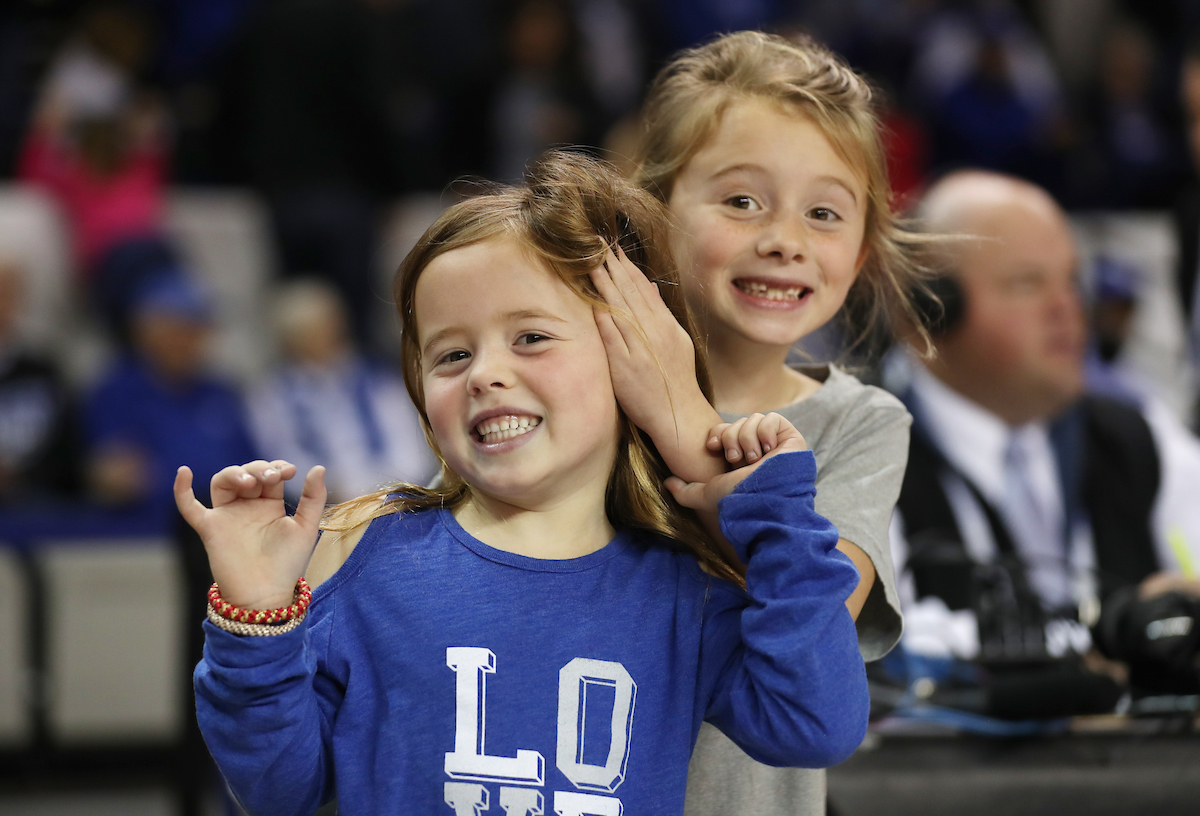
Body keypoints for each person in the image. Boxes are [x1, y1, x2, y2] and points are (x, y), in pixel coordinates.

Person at [177, 151, 869, 815]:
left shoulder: (683, 592)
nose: (484, 374)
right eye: (451, 354)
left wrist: (772, 514)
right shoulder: (369, 558)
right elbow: (276, 790)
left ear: (629, 357)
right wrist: (253, 616)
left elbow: (815, 724)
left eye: (531, 337)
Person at [610, 31, 920, 815]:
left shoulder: (862, 424)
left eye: (824, 213)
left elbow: (807, 635)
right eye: (742, 200)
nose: (784, 241)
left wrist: (679, 420)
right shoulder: (584, 392)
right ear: (651, 207)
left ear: (862, 250)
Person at [887, 170, 1200, 711]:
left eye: (1072, 281)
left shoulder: (1138, 436)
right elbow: (869, 669)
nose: (1068, 309)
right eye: (1028, 283)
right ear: (927, 311)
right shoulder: (861, 455)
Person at [247, 278, 436, 504]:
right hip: (325, 507)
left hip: (394, 499)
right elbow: (284, 458)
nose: (319, 337)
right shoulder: (273, 396)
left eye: (323, 326)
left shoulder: (377, 378)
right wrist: (331, 491)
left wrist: (387, 489)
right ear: (288, 340)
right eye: (305, 332)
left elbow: (410, 444)